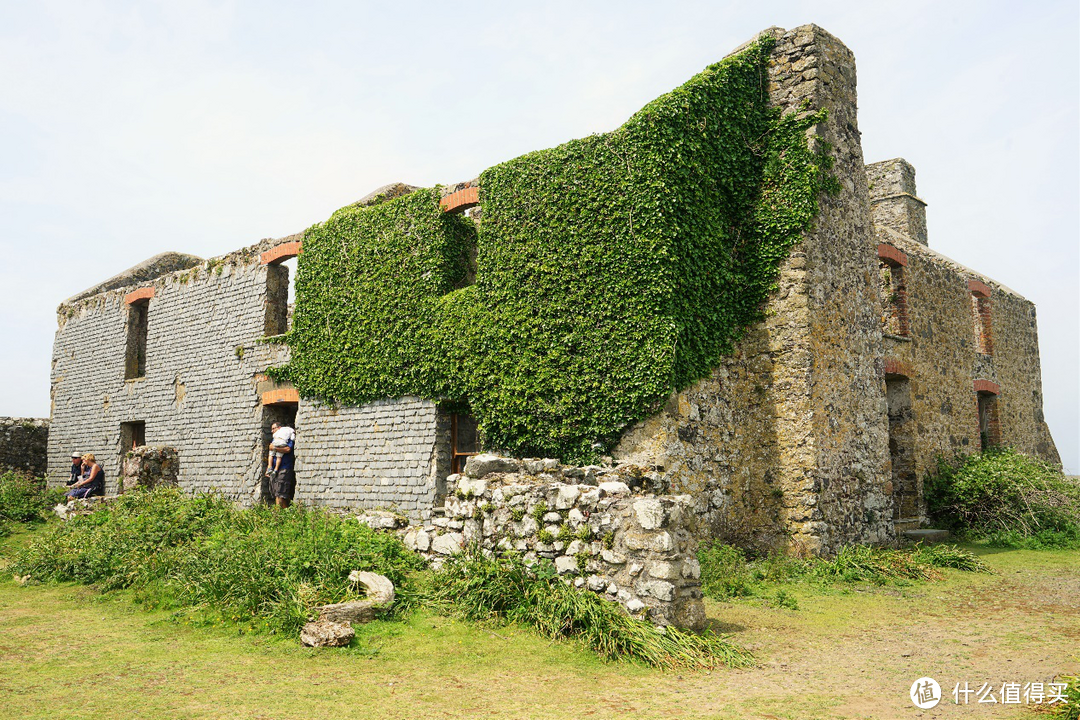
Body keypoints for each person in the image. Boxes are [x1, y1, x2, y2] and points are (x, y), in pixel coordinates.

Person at [267, 422, 295, 509]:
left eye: (273, 428)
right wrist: (269, 467)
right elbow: (270, 451)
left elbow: (288, 449)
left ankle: (280, 514)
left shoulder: (288, 438)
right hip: (275, 469)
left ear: (279, 428)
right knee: (276, 493)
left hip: (284, 468)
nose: (272, 431)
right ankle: (281, 514)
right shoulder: (275, 438)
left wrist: (275, 448)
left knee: (281, 493)